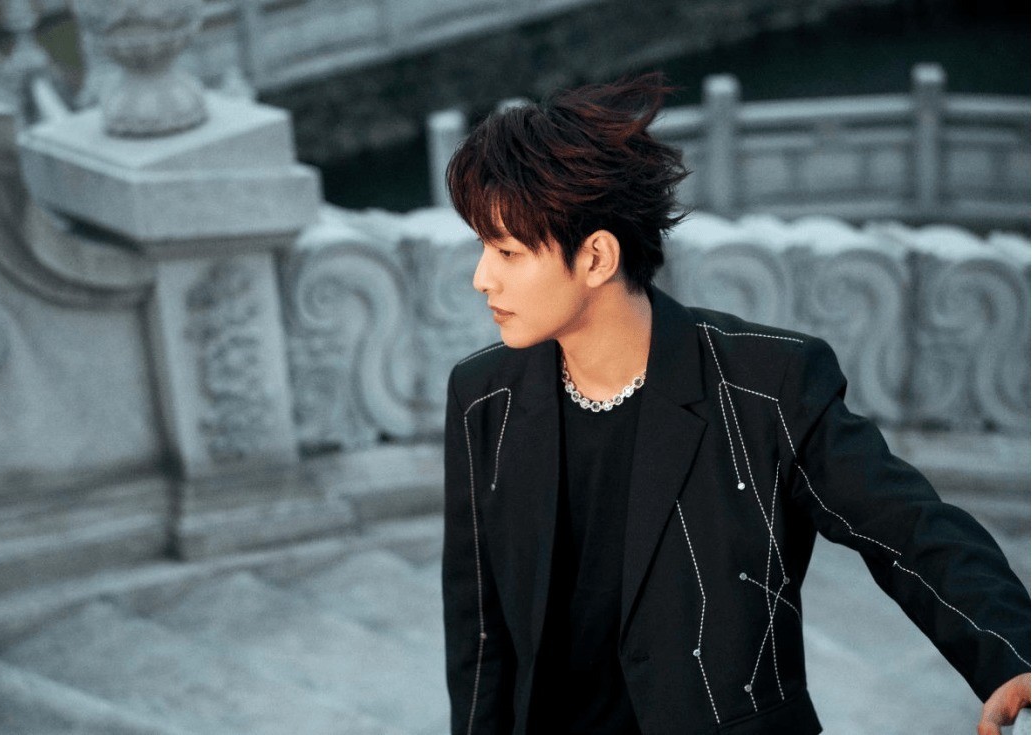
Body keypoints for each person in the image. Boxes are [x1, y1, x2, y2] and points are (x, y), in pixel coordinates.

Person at [439, 74, 1030, 735]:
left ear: (597, 257)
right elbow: (479, 629)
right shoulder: (483, 396)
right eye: (483, 247)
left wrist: (1012, 653)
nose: (481, 277)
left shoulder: (767, 385)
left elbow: (907, 529)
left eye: (507, 251)